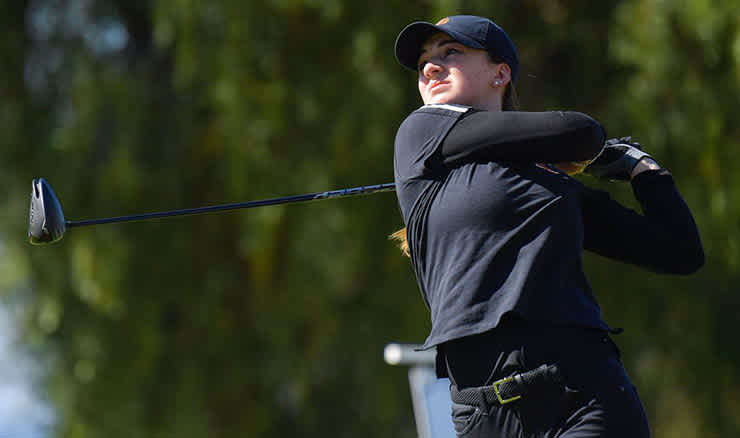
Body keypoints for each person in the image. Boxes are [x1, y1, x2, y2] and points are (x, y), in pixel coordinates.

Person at [391, 15, 704, 438]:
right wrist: (581, 156)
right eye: (426, 61)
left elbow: (678, 251)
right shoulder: (421, 131)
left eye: (451, 53)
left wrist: (644, 172)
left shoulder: (553, 187)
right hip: (483, 414)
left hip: (584, 397)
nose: (430, 67)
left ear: (500, 73)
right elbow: (581, 131)